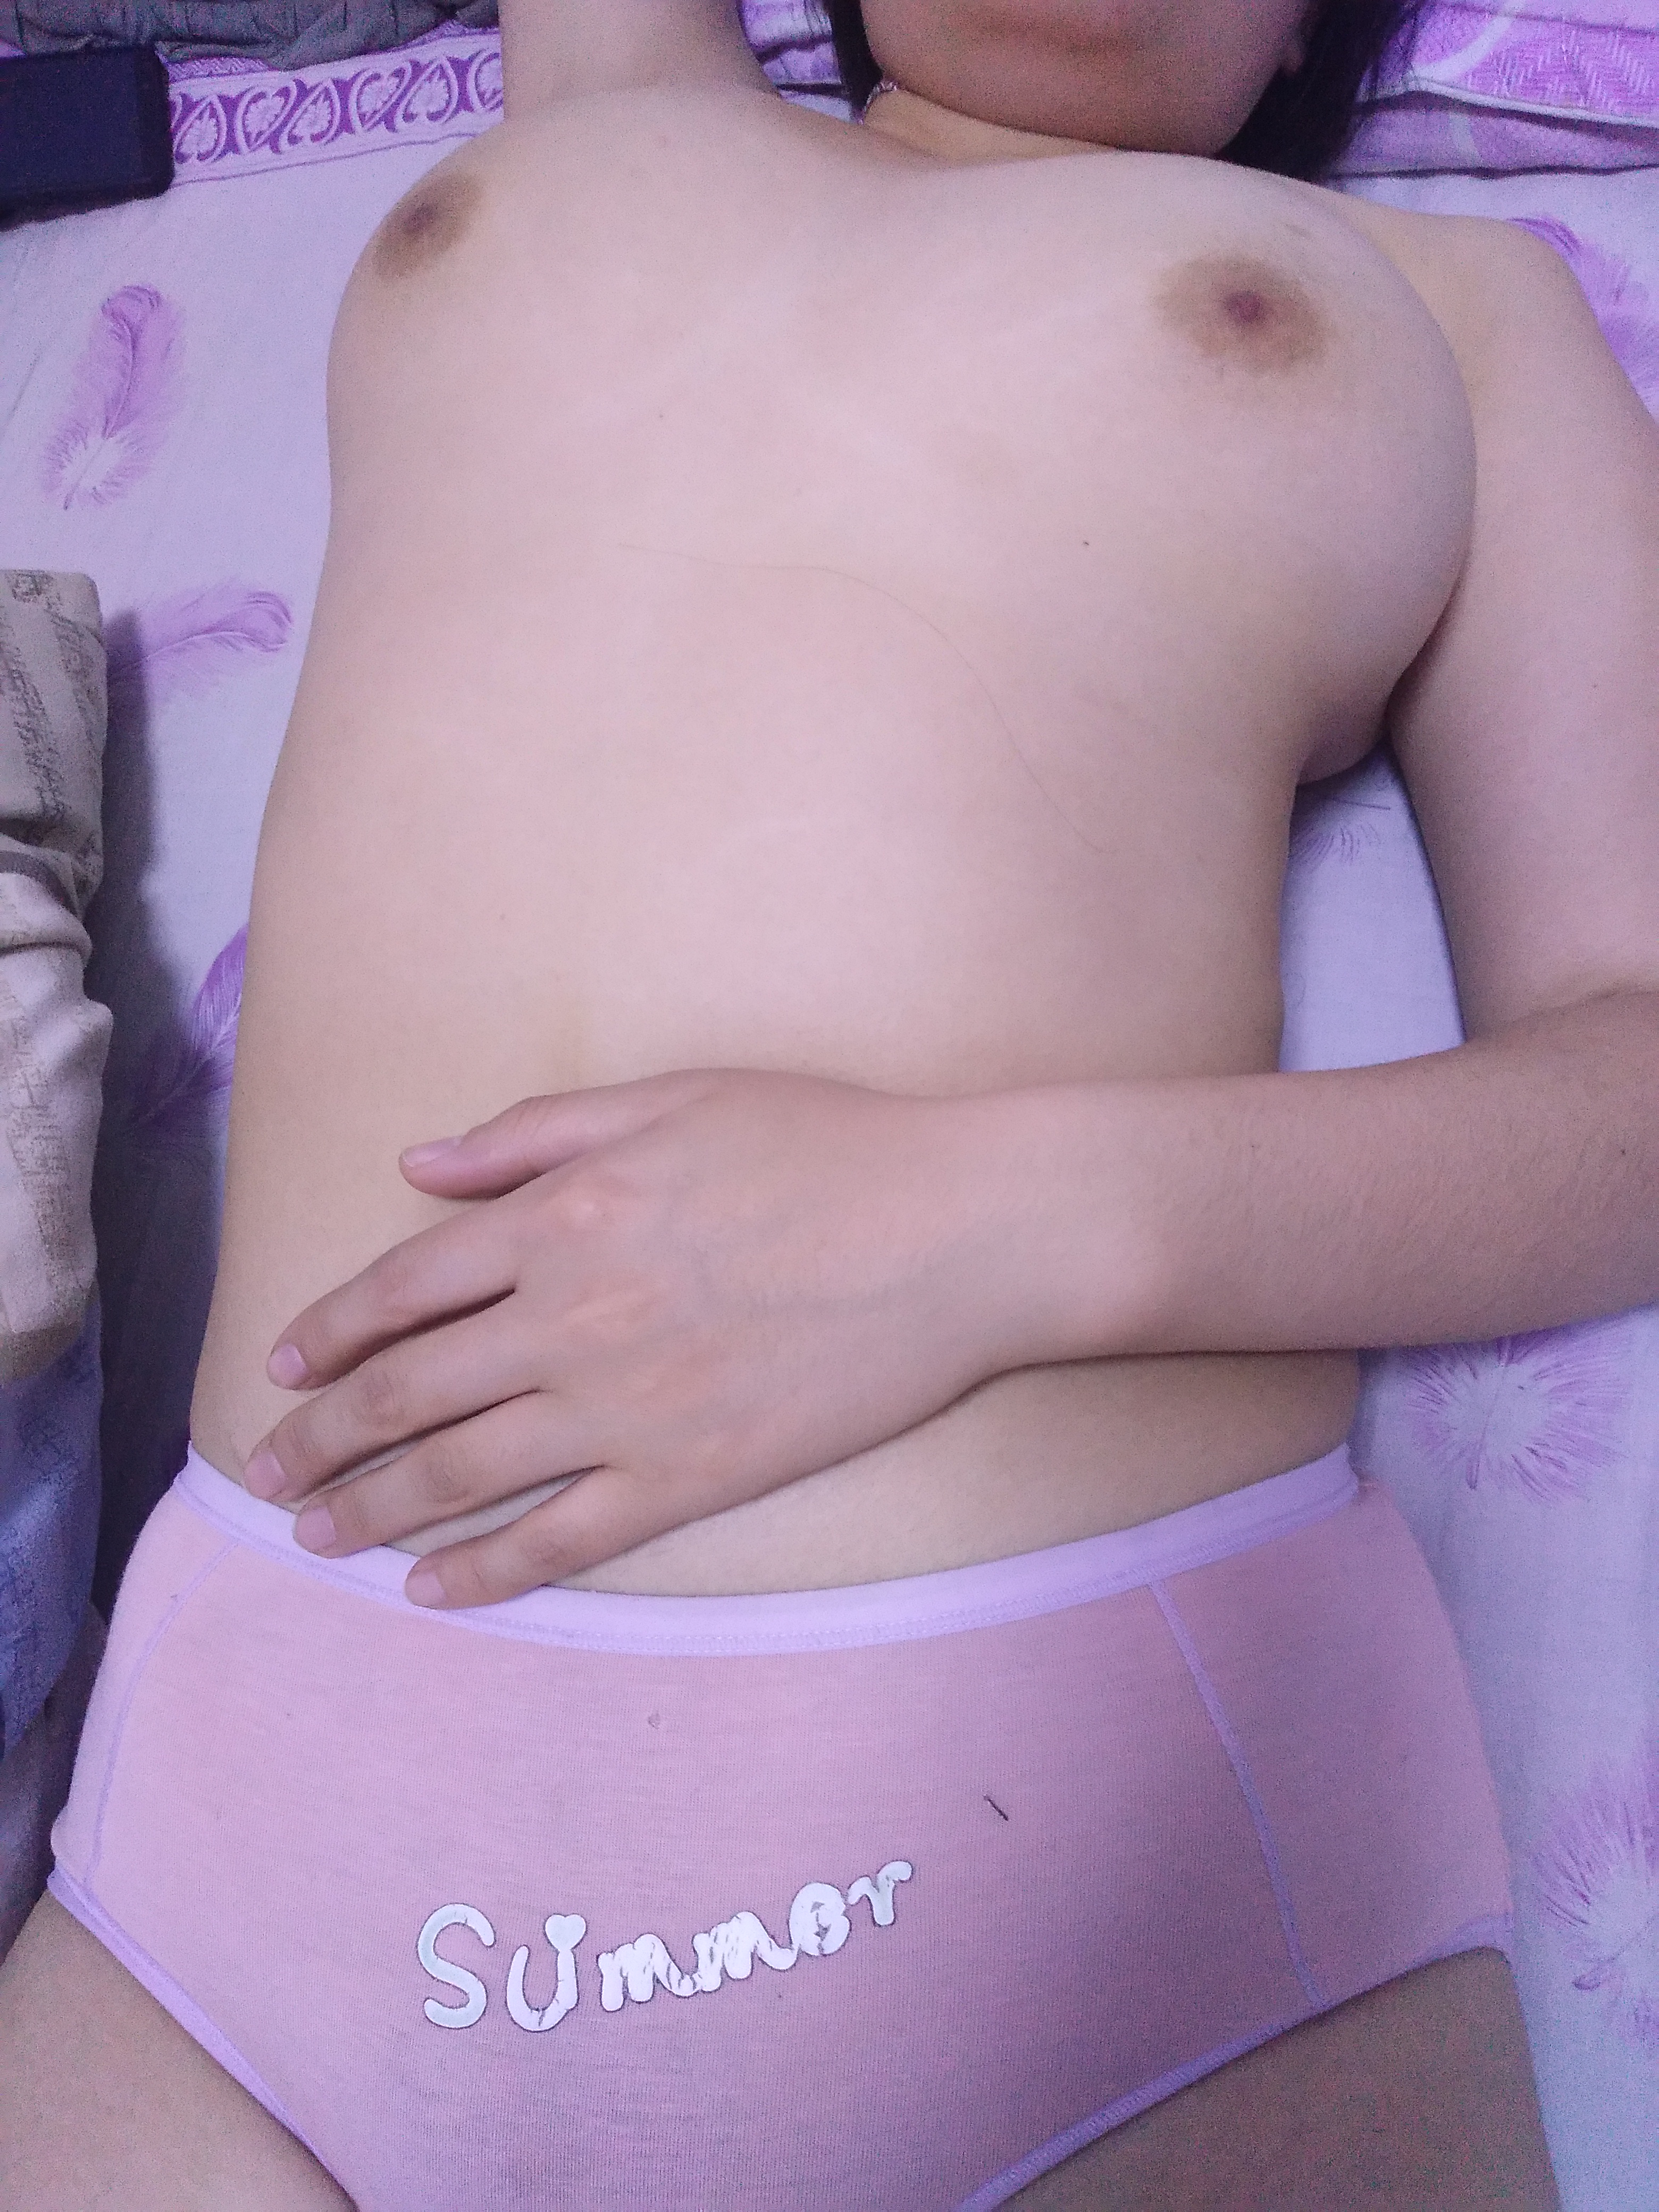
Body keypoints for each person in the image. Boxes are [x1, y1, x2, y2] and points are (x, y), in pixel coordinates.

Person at [8, 0, 1659, 2199]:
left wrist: (974, 1226)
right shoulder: (618, 103)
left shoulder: (1456, 309)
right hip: (244, 1846)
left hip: (1098, 1852)